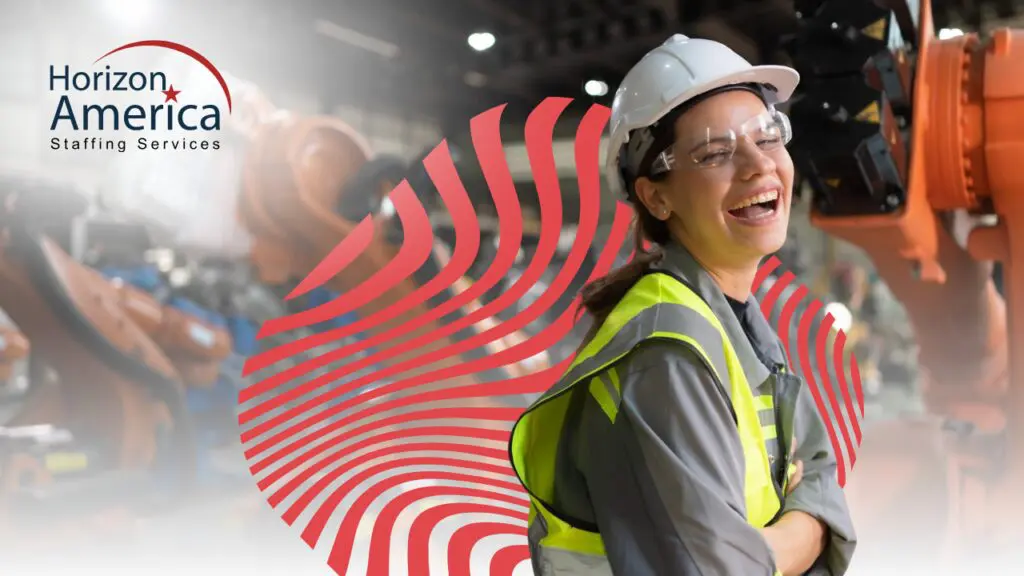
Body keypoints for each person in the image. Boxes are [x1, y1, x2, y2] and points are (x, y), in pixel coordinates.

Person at [509, 34, 857, 575]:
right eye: (716, 152)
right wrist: (809, 527)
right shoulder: (665, 356)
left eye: (767, 137)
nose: (757, 165)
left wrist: (780, 539)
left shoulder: (734, 322)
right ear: (656, 196)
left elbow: (817, 468)